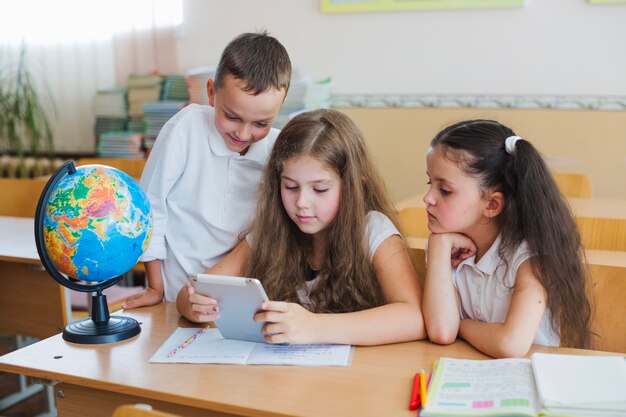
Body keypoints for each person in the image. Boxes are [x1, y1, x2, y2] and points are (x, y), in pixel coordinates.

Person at [177, 109, 426, 345]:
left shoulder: (373, 231)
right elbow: (196, 289)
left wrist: (315, 326)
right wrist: (192, 304)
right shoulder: (271, 232)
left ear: (355, 187)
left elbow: (414, 318)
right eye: (291, 187)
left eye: (319, 189)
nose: (302, 203)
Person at [123, 31, 292, 308]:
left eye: (261, 123)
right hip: (173, 295)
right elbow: (151, 208)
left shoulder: (276, 148)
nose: (243, 132)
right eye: (232, 116)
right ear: (212, 93)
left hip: (239, 300)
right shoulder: (185, 128)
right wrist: (155, 286)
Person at [421, 119, 592, 358]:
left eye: (445, 190)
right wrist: (438, 246)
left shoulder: (530, 257)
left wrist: (461, 326)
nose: (427, 198)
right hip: (469, 372)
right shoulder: (445, 247)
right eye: (430, 182)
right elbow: (441, 331)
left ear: (492, 204)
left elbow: (510, 344)